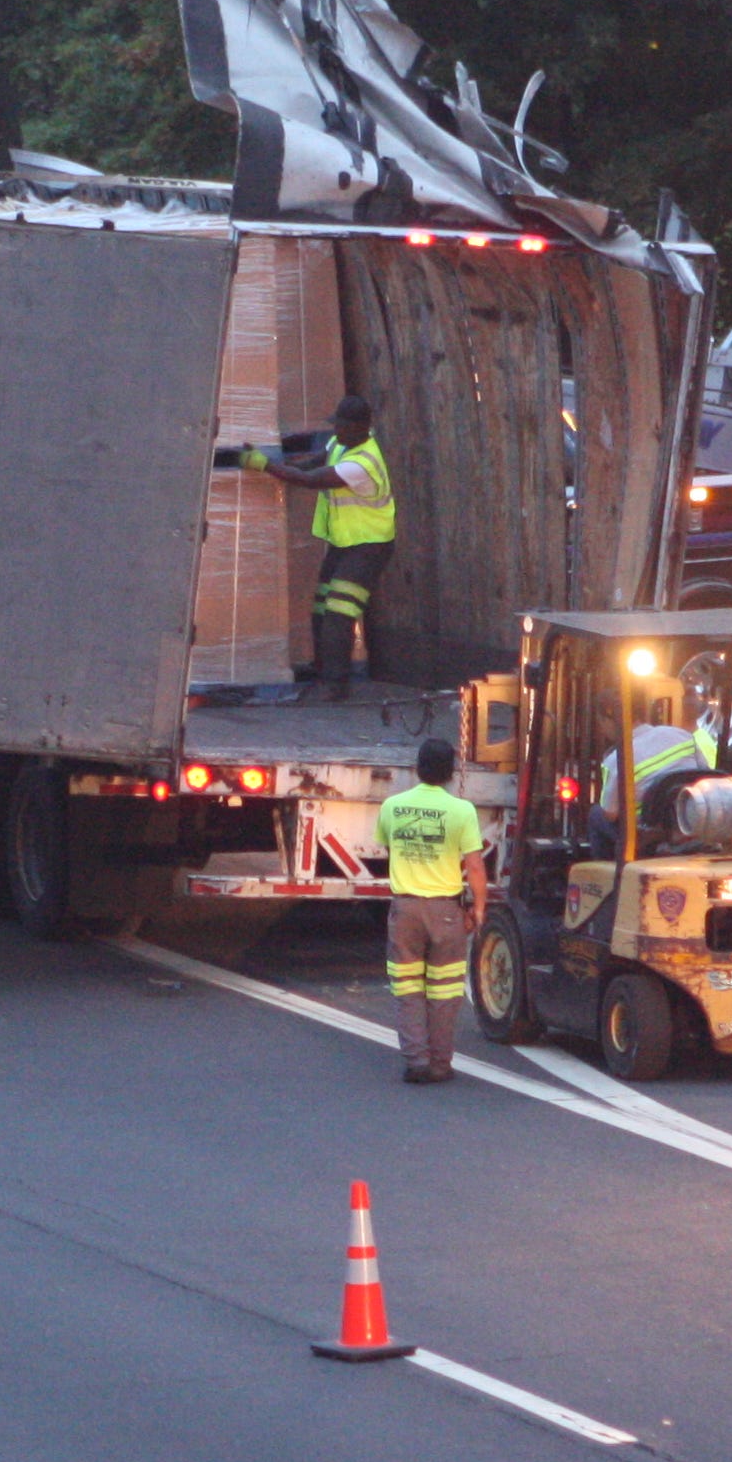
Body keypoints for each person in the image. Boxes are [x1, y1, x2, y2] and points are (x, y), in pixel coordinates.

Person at [237, 394, 394, 687]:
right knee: (322, 608)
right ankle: (326, 675)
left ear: (362, 427)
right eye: (337, 425)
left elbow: (309, 480)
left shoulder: (361, 464)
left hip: (369, 548)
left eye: (344, 427)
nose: (338, 431)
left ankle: (337, 685)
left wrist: (264, 465)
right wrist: (271, 460)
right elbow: (309, 465)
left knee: (339, 612)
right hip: (345, 544)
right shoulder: (341, 444)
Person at [373, 735, 487, 1083]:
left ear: (417, 768)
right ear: (451, 771)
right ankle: (440, 1064)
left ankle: (416, 1062)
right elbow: (476, 867)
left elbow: (387, 849)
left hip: (405, 910)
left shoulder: (392, 806)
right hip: (447, 912)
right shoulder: (462, 810)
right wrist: (478, 909)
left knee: (407, 990)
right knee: (445, 993)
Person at [595, 715, 720, 850]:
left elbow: (610, 814)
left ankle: (614, 866)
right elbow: (705, 774)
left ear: (609, 719)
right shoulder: (682, 735)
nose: (602, 729)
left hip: (649, 835)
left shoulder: (615, 760)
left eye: (601, 722)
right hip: (692, 819)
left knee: (595, 815)